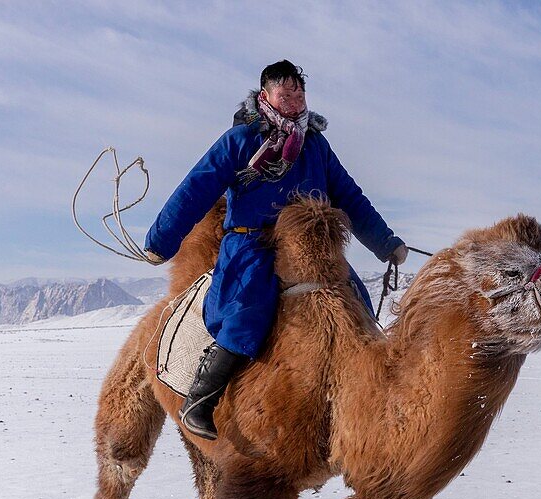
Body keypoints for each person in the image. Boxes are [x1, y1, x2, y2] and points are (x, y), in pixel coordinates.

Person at [143, 60, 407, 441]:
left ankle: (372, 389)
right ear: (265, 96)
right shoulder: (239, 141)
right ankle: (202, 398)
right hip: (252, 242)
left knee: (353, 296)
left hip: (307, 246)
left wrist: (386, 244)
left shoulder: (315, 146)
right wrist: (160, 241)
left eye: (300, 93)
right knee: (248, 305)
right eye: (287, 93)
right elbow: (195, 189)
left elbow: (348, 196)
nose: (296, 100)